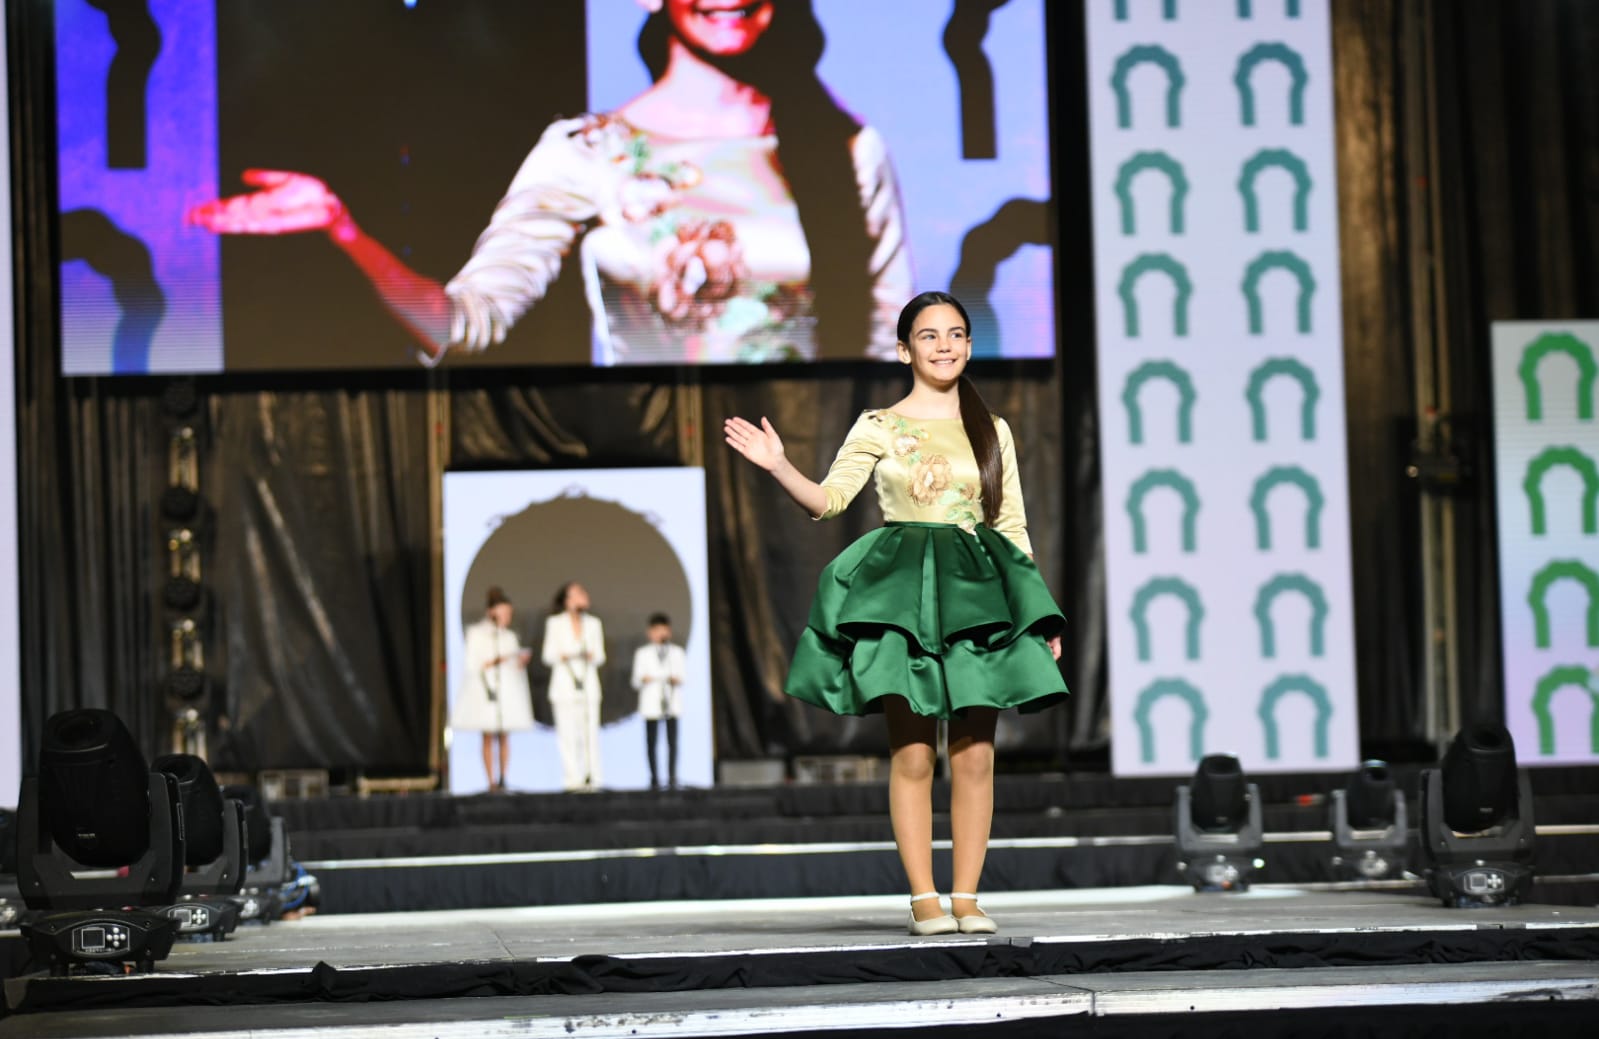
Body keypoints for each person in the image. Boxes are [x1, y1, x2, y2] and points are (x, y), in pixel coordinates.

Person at [187, 0, 912, 366]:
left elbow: (892, 348)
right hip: (660, 457)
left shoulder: (847, 151)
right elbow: (463, 323)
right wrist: (345, 232)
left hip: (814, 476)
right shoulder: (586, 151)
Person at [723, 291, 1066, 936]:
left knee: (975, 754)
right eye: (930, 336)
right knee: (913, 753)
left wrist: (1039, 615)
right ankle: (924, 899)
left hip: (979, 594)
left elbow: (1013, 527)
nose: (946, 346)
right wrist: (778, 466)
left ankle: (967, 897)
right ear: (905, 348)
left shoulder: (994, 430)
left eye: (957, 334)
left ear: (969, 345)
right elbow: (827, 501)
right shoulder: (878, 424)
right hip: (906, 594)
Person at [452, 587, 535, 792]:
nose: (507, 617)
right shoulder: (476, 634)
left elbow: (514, 666)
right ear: (492, 612)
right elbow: (473, 664)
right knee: (488, 735)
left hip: (506, 689)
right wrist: (501, 658)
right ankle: (490, 781)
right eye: (503, 613)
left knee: (504, 735)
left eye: (509, 614)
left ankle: (503, 777)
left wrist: (520, 662)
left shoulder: (509, 637)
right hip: (485, 689)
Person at [542, 581, 606, 791]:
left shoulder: (593, 624)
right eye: (577, 593)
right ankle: (572, 779)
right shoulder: (555, 623)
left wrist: (590, 655)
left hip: (588, 684)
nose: (583, 596)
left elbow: (600, 656)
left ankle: (593, 777)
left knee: (590, 734)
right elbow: (548, 656)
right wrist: (566, 655)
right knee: (568, 735)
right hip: (564, 686)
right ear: (567, 600)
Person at [631, 612, 688, 790]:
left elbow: (682, 677)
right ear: (650, 632)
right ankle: (654, 778)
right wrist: (649, 678)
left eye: (664, 630)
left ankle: (672, 776)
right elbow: (636, 680)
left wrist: (668, 678)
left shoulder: (676, 653)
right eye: (657, 630)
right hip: (651, 703)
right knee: (652, 742)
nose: (660, 634)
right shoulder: (643, 653)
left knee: (672, 742)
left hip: (671, 702)